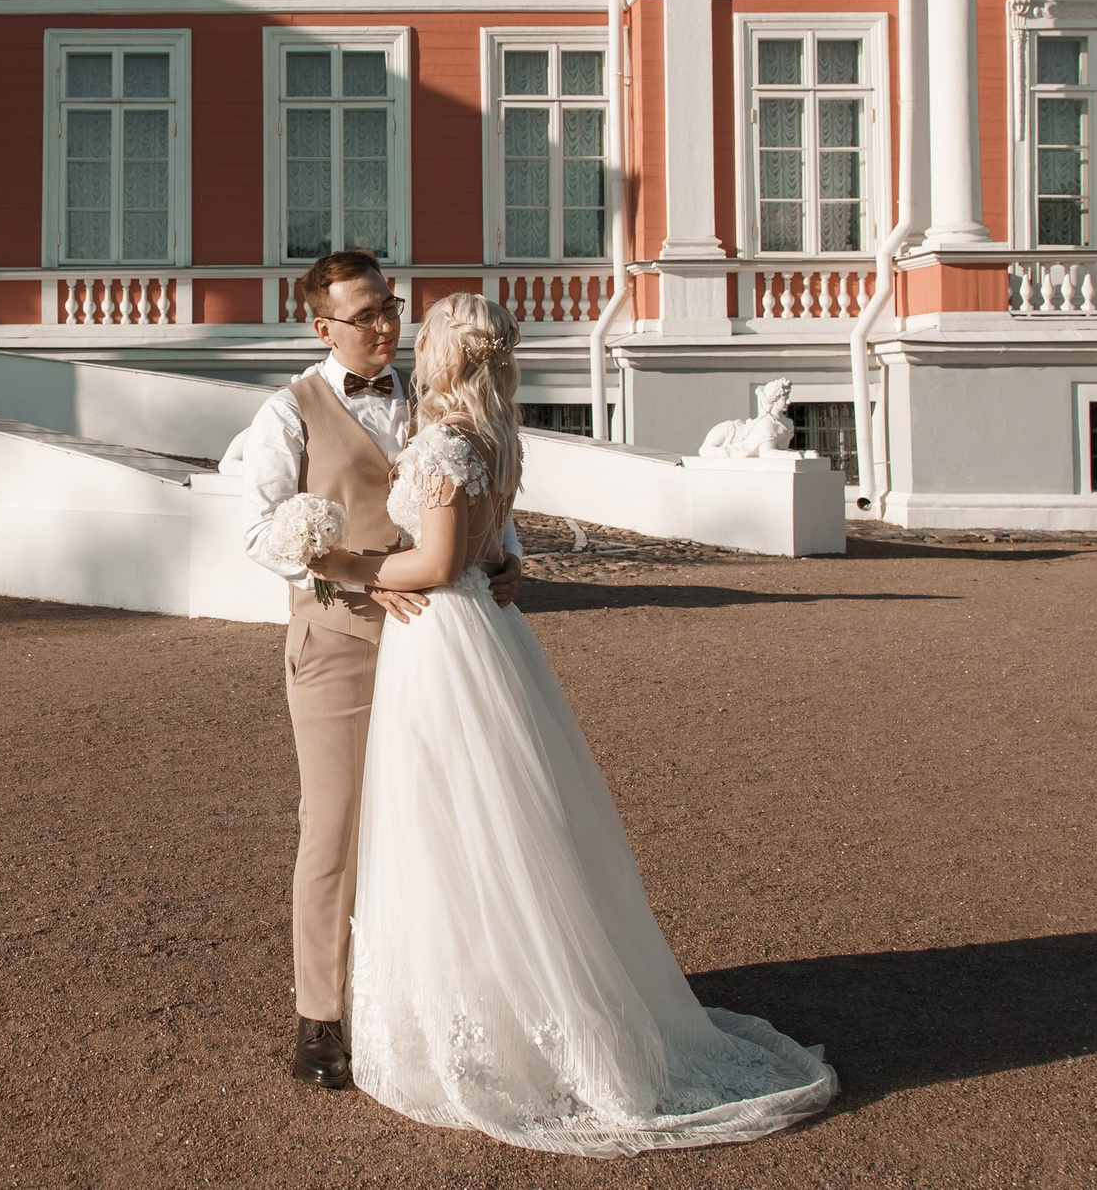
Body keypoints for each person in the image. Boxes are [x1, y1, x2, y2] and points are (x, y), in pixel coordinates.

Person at [324, 291, 838, 1153]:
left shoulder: (448, 440)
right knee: (505, 820)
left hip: (443, 636)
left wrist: (349, 563)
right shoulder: (496, 438)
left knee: (457, 823)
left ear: (446, 354)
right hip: (489, 632)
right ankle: (506, 993)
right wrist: (505, 559)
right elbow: (492, 548)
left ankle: (504, 1019)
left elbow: (442, 559)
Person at [237, 251, 522, 1090]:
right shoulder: (285, 414)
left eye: (392, 307)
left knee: (442, 820)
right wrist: (340, 574)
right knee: (335, 825)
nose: (388, 325)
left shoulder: (433, 397)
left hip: (440, 643)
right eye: (367, 315)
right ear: (323, 326)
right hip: (340, 643)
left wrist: (509, 555)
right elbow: (260, 534)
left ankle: (434, 998)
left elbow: (472, 492)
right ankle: (319, 1018)